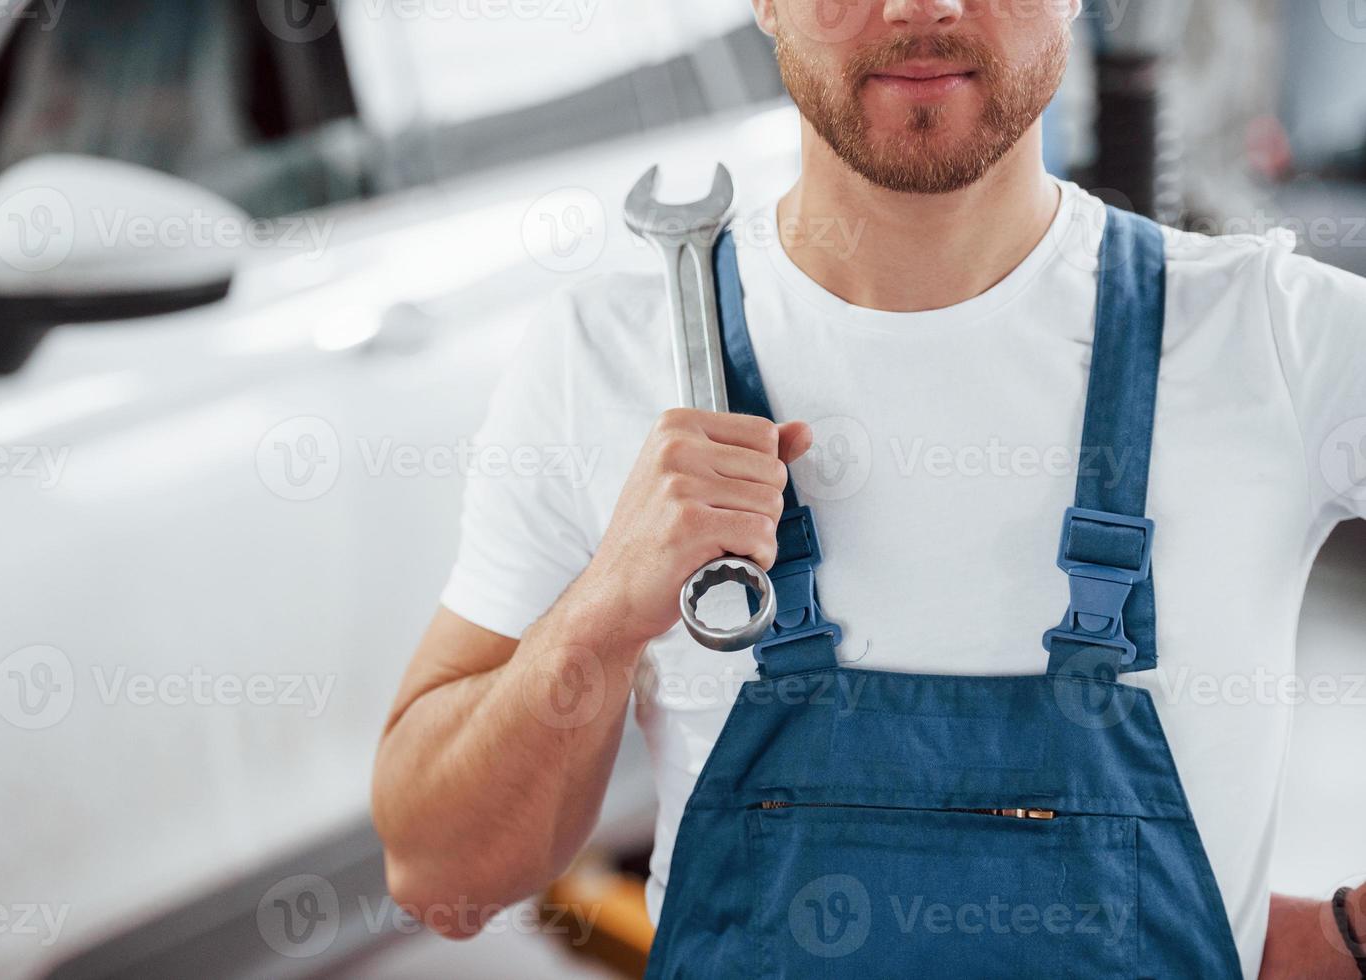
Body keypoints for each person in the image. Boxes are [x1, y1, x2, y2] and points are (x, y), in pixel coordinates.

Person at [372, 1, 1366, 976]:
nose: (917, 6)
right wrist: (597, 614)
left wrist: (1352, 936)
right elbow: (437, 871)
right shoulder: (604, 354)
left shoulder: (1274, 340)